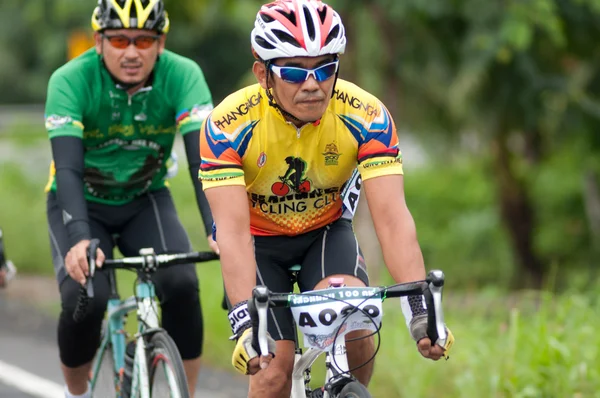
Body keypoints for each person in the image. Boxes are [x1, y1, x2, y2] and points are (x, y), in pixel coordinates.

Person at [200, 0, 454, 396]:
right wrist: (245, 323)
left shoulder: (366, 114)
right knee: (272, 371)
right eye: (295, 71)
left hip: (325, 232)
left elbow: (392, 220)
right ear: (262, 73)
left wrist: (420, 310)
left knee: (355, 326)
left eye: (324, 68)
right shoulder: (227, 124)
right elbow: (232, 233)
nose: (312, 84)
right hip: (258, 245)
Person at [44, 0, 217, 397]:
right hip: (81, 201)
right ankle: (77, 391)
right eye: (120, 40)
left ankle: (181, 390)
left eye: (145, 40)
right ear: (98, 41)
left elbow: (202, 163)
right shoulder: (70, 79)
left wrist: (217, 226)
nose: (133, 52)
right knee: (86, 294)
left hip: (145, 198)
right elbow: (67, 169)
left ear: (161, 42)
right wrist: (79, 239)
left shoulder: (183, 74)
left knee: (182, 283)